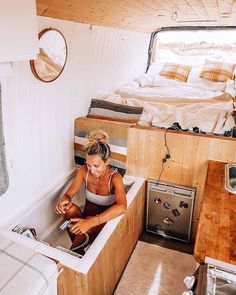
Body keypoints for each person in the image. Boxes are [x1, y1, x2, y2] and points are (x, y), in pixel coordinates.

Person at [55, 130, 127, 255]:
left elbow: (122, 207)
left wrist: (91, 221)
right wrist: (63, 201)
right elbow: (68, 195)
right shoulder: (84, 171)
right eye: (88, 165)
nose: (91, 170)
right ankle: (79, 252)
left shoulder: (115, 178)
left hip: (102, 223)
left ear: (107, 161)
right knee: (68, 209)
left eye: (96, 166)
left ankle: (73, 253)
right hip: (86, 219)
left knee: (87, 221)